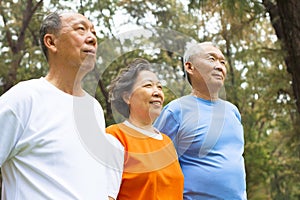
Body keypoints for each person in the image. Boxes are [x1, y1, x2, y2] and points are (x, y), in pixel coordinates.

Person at [0, 11, 123, 199]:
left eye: (94, 32)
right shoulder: (24, 98)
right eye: (80, 29)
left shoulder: (94, 109)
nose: (91, 38)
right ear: (51, 42)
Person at [154, 42, 247, 199]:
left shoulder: (233, 112)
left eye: (222, 62)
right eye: (211, 59)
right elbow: (154, 164)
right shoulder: (176, 111)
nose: (219, 66)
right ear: (190, 67)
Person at [106, 58, 184, 200]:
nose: (157, 92)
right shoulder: (115, 136)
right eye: (148, 85)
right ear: (127, 97)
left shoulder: (166, 142)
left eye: (159, 87)